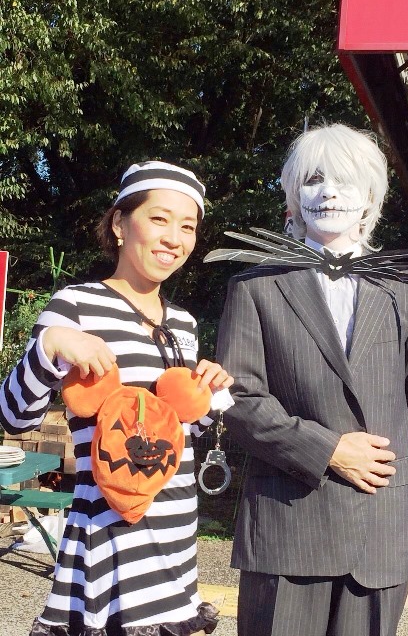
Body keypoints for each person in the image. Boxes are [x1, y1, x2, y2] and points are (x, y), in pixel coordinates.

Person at [215, 123, 408, 636]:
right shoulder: (257, 286)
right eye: (313, 180)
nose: (329, 192)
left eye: (345, 179)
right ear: (293, 196)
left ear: (370, 198)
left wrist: (371, 447)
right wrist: (330, 450)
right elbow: (238, 396)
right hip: (287, 522)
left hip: (379, 524)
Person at [0, 160, 233, 636]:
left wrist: (213, 394)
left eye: (187, 226)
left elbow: (184, 432)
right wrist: (49, 346)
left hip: (175, 530)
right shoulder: (75, 305)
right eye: (159, 219)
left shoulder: (184, 324)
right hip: (106, 533)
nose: (174, 238)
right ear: (120, 224)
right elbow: (13, 415)